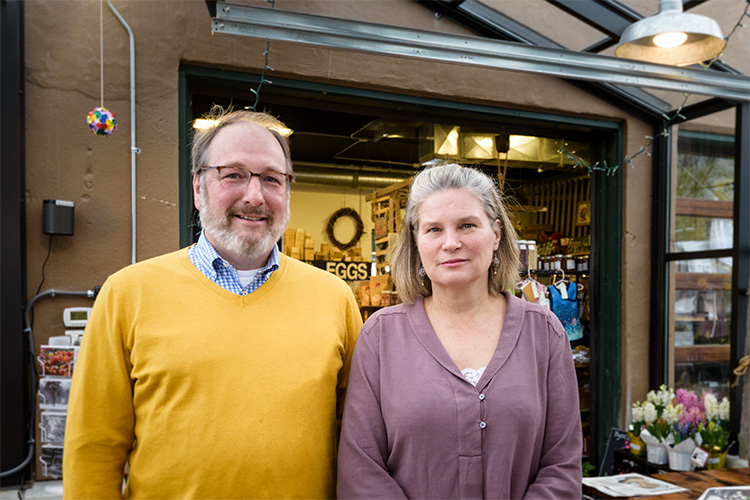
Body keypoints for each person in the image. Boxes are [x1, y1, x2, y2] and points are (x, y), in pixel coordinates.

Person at [63, 107, 362, 499]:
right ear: (198, 189)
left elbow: (359, 443)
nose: (254, 196)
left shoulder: (333, 298)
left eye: (272, 179)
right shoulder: (126, 295)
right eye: (233, 174)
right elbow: (93, 451)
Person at [337, 163, 582, 499]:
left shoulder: (543, 333)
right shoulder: (381, 336)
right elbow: (360, 469)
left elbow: (561, 464)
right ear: (416, 240)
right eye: (434, 229)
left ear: (495, 234)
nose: (450, 243)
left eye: (467, 225)